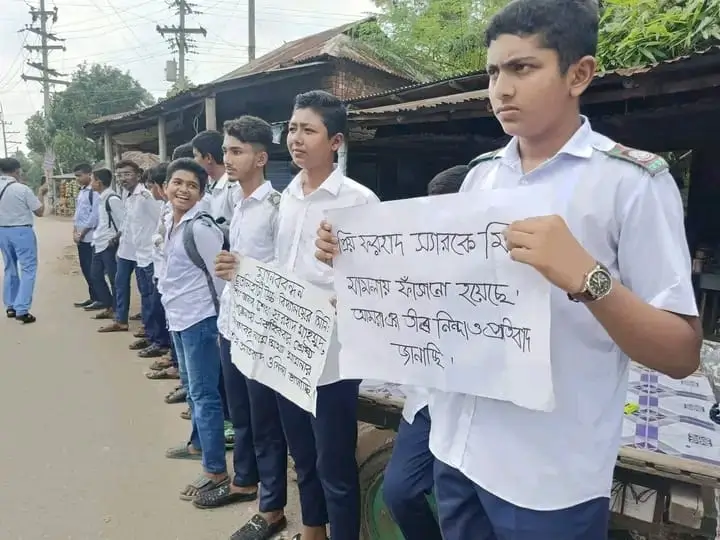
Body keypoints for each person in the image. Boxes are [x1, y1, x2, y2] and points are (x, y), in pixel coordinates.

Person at [315, 1, 701, 539]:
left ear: (579, 74)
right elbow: (452, 299)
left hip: (547, 475)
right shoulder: (480, 179)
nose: (501, 88)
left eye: (523, 68)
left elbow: (681, 353)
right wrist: (363, 266)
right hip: (458, 450)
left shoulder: (631, 184)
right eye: (494, 72)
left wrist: (588, 278)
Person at [277, 90, 379, 540]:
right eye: (292, 128)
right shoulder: (288, 196)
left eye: (308, 130)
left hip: (333, 351)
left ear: (335, 141)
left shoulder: (358, 202)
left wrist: (345, 295)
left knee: (334, 462)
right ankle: (312, 529)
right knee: (301, 453)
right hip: (287, 344)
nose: (296, 139)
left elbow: (377, 279)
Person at [204, 116, 288, 540]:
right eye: (225, 151)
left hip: (262, 332)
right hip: (232, 324)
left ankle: (272, 509)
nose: (228, 159)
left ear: (261, 157)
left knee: (265, 423)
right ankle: (244, 481)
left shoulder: (277, 209)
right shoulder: (236, 202)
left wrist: (242, 269)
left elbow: (288, 276)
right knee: (240, 416)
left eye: (237, 151)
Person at [382, 164, 468, 540]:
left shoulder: (504, 267)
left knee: (463, 508)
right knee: (399, 493)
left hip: (477, 404)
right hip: (426, 401)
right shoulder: (416, 260)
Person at [160, 158, 229, 501]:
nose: (183, 190)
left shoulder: (200, 228)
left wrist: (220, 322)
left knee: (204, 396)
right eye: (178, 182)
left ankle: (215, 470)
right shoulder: (170, 221)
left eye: (192, 186)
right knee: (191, 388)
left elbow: (222, 279)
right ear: (166, 187)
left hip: (200, 320)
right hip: (178, 316)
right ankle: (197, 444)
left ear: (201, 194)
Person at [98, 160, 154, 333]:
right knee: (120, 283)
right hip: (126, 249)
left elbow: (159, 221)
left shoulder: (145, 197)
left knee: (145, 289)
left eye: (128, 174)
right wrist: (118, 236)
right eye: (120, 175)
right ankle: (121, 320)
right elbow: (127, 220)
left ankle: (148, 325)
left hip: (143, 251)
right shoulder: (126, 195)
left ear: (138, 175)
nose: (123, 178)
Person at [0, 157, 48, 323]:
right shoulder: (22, 189)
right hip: (21, 230)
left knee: (10, 267)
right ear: (17, 170)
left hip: (2, 231)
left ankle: (11, 306)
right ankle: (22, 309)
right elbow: (39, 211)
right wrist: (41, 194)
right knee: (28, 269)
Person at [88, 168, 124, 320]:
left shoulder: (112, 199)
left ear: (99, 182)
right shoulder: (102, 198)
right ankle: (109, 305)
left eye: (92, 180)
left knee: (113, 278)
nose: (91, 183)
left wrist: (116, 238)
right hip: (99, 242)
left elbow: (124, 221)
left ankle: (117, 309)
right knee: (95, 275)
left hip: (109, 244)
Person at [72, 163, 101, 309]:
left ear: (89, 174)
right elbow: (78, 214)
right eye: (76, 176)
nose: (77, 179)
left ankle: (100, 298)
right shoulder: (82, 191)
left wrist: (82, 233)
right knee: (85, 268)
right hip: (81, 236)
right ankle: (93, 296)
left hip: (90, 237)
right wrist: (74, 231)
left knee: (92, 269)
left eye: (79, 175)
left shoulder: (93, 192)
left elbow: (94, 216)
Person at [192, 130, 236, 221]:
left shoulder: (234, 188)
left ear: (208, 158)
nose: (194, 161)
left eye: (195, 156)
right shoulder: (211, 186)